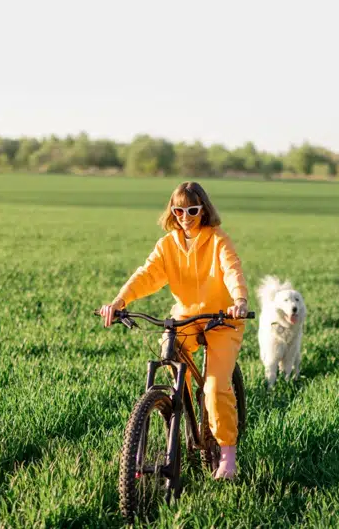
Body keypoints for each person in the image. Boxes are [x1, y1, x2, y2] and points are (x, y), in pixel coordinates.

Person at [98, 181, 250, 480]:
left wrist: (240, 300)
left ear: (203, 210)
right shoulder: (167, 244)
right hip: (185, 318)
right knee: (170, 354)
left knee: (215, 387)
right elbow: (148, 274)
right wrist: (119, 301)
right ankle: (178, 409)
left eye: (192, 209)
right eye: (178, 209)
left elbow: (231, 269)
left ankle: (227, 454)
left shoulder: (218, 240)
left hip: (222, 318)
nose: (185, 216)